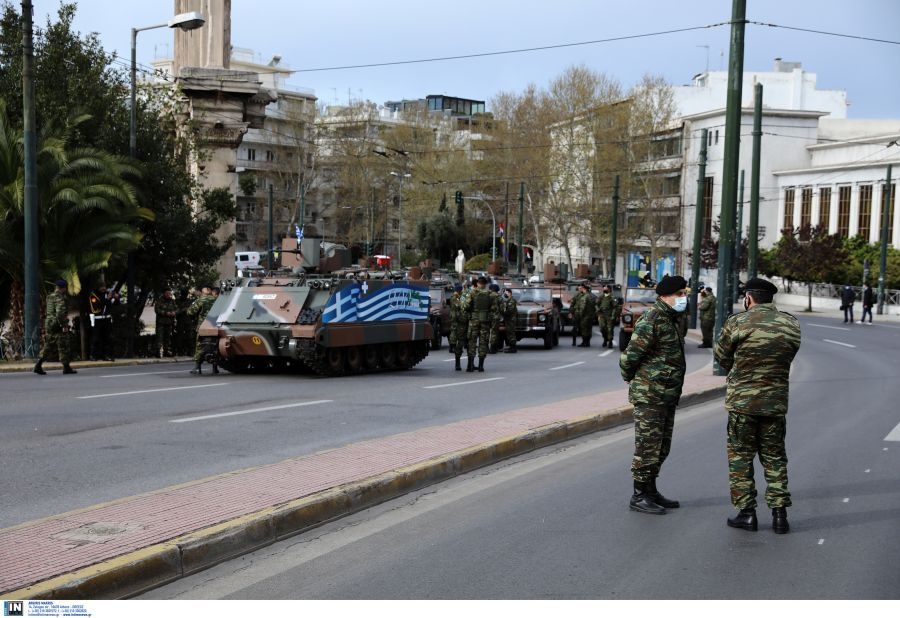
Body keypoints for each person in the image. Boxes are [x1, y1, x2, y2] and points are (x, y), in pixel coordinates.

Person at [714, 277, 801, 534]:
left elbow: (721, 357)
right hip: (774, 405)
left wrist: (741, 372)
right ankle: (779, 515)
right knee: (775, 457)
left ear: (748, 299)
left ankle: (747, 514)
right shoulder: (791, 324)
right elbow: (788, 355)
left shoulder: (738, 322)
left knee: (741, 457)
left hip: (743, 404)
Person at [619, 274, 688, 515]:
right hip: (650, 395)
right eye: (679, 295)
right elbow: (630, 355)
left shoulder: (672, 319)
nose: (683, 298)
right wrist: (628, 375)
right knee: (647, 447)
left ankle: (651, 490)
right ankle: (638, 495)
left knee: (661, 447)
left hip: (666, 394)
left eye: (684, 294)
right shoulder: (653, 319)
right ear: (665, 296)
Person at [33, 280, 77, 375]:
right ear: (64, 288)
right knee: (63, 345)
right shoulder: (60, 298)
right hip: (57, 324)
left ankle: (38, 364)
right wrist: (64, 325)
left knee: (48, 345)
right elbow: (60, 313)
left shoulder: (50, 296)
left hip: (49, 323)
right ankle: (66, 367)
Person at [462, 275, 499, 372]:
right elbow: (494, 309)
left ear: (477, 283)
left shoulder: (471, 293)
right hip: (485, 321)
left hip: (473, 321)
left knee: (472, 342)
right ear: (486, 284)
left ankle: (470, 366)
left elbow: (465, 306)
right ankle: (481, 366)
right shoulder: (491, 295)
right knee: (483, 342)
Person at [186, 285, 218, 375]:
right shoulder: (217, 300)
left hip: (203, 326)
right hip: (216, 325)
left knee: (200, 346)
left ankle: (197, 367)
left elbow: (190, 312)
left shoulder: (201, 300)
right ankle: (215, 368)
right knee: (215, 346)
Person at [88, 283, 118, 361]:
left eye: (104, 287)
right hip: (97, 319)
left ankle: (106, 355)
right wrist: (107, 299)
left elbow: (114, 305)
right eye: (101, 287)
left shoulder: (107, 294)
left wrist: (116, 298)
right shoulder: (94, 295)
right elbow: (96, 307)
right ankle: (94, 355)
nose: (103, 289)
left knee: (107, 338)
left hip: (107, 319)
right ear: (98, 287)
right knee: (96, 338)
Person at [155, 287, 178, 357]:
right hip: (161, 322)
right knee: (160, 337)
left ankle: (166, 351)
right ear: (164, 293)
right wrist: (165, 313)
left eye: (170, 293)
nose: (169, 295)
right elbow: (157, 310)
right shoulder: (159, 301)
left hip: (169, 322)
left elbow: (177, 309)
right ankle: (159, 352)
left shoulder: (172, 301)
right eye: (167, 293)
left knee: (167, 337)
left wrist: (174, 312)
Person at [500, 287, 518, 353]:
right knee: (509, 333)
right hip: (509, 319)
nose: (505, 294)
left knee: (511, 333)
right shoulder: (508, 300)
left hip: (511, 319)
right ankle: (511, 347)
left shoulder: (511, 301)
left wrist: (502, 312)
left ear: (509, 293)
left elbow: (509, 311)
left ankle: (513, 348)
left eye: (506, 293)